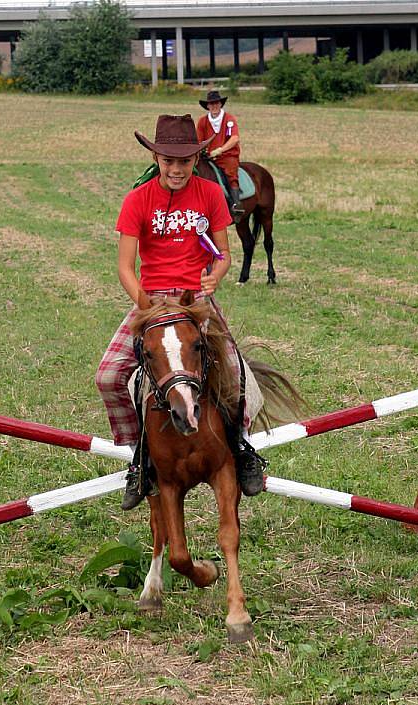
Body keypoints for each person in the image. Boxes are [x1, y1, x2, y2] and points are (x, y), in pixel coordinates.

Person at [95, 114, 265, 511]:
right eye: (168, 160)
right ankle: (141, 458)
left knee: (237, 376)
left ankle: (241, 450)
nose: (176, 168)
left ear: (195, 159)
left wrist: (215, 278)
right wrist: (145, 304)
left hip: (194, 300)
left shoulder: (209, 193)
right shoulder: (137, 199)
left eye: (184, 161)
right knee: (107, 376)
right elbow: (124, 267)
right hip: (150, 299)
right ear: (156, 158)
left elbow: (222, 255)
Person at [196, 89, 244, 219]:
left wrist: (220, 150)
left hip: (227, 156)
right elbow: (199, 141)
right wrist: (202, 151)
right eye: (211, 104)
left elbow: (235, 138)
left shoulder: (229, 119)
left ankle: (236, 205)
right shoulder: (202, 121)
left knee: (231, 173)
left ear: (221, 104)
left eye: (216, 103)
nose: (214, 106)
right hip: (208, 157)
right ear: (207, 106)